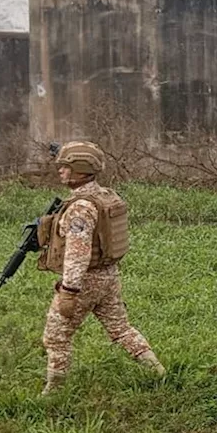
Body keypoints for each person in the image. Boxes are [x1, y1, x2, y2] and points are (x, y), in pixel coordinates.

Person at [35, 141, 165, 395]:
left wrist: (69, 291)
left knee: (56, 336)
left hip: (85, 282)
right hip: (109, 276)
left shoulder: (81, 208)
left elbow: (77, 254)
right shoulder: (104, 195)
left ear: (80, 170)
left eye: (65, 167)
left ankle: (53, 393)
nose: (60, 171)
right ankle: (158, 371)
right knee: (120, 328)